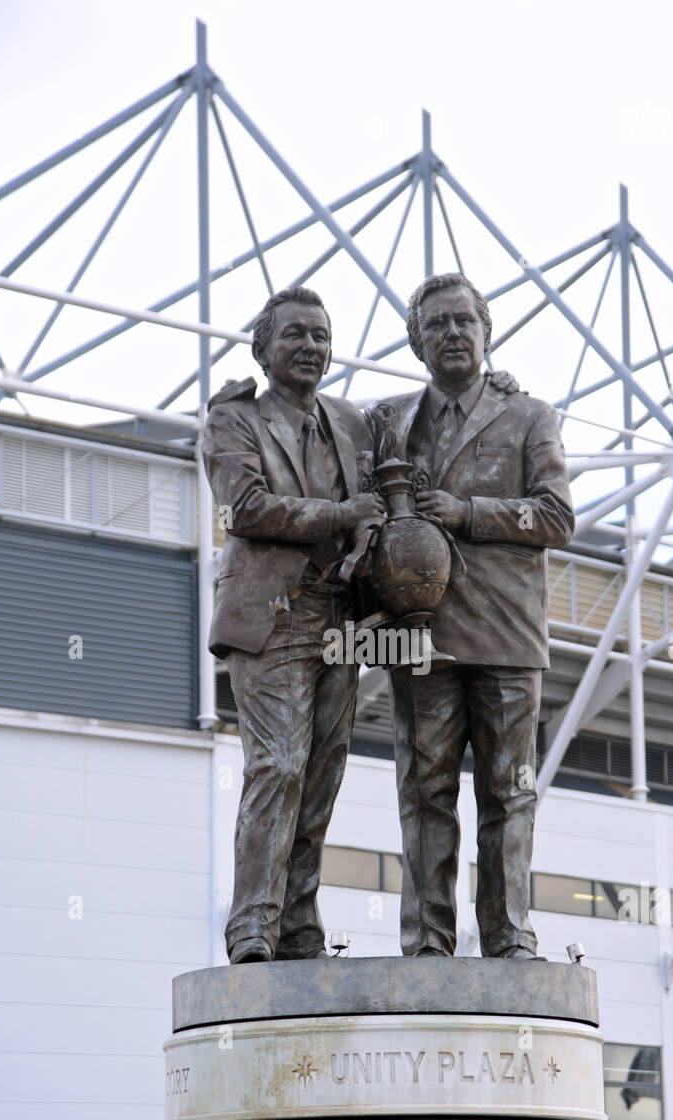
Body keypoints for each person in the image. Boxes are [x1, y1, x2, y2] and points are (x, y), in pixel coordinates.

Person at [365, 272, 575, 959]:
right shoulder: (387, 421)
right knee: (422, 793)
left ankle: (510, 937)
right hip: (421, 640)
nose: (452, 333)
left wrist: (469, 514)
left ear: (486, 333)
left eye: (464, 321)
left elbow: (556, 516)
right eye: (437, 324)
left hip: (507, 635)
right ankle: (425, 944)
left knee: (508, 794)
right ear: (416, 341)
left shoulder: (529, 415)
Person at [203, 286, 383, 963]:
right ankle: (253, 924)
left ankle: (300, 925)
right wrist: (343, 515)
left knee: (320, 773)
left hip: (339, 617)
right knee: (276, 765)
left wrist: (495, 380)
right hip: (271, 618)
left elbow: (420, 430)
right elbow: (247, 508)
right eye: (295, 335)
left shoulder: (351, 422)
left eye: (320, 335)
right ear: (264, 349)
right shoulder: (234, 419)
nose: (310, 347)